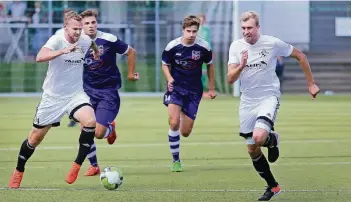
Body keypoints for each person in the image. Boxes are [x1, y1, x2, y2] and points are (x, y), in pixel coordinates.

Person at [227, 11, 320, 201]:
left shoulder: (272, 43)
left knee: (259, 136)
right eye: (243, 28)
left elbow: (300, 56)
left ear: (258, 28)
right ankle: (273, 186)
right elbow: (230, 79)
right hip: (247, 101)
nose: (246, 32)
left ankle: (271, 138)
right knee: (252, 149)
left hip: (268, 97)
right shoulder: (236, 47)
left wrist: (311, 84)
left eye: (250, 28)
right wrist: (241, 65)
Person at [8, 10, 100, 188]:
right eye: (74, 29)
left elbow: (92, 43)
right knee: (34, 139)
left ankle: (76, 165)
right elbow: (39, 57)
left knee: (90, 121)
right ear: (65, 27)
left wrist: (95, 53)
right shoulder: (56, 39)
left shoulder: (84, 39)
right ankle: (19, 170)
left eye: (80, 29)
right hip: (53, 98)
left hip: (75, 95)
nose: (77, 32)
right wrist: (63, 50)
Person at [79, 9, 139, 176]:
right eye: (86, 23)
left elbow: (131, 52)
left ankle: (110, 129)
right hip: (87, 92)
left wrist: (130, 73)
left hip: (108, 92)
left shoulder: (108, 39)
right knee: (85, 127)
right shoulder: (78, 43)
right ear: (81, 26)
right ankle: (94, 165)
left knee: (98, 133)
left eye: (93, 22)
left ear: (97, 23)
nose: (90, 26)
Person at [162, 15, 217, 172]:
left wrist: (211, 88)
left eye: (194, 31)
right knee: (173, 123)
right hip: (176, 89)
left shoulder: (204, 47)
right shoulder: (172, 46)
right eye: (189, 31)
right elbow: (165, 64)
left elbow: (210, 66)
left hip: (194, 91)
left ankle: (181, 114)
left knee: (185, 132)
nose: (192, 34)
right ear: (183, 30)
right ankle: (176, 160)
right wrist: (170, 78)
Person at [198, 13, 213, 98]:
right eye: (200, 19)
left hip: (205, 53)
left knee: (204, 72)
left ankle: (203, 91)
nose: (202, 21)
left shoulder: (207, 30)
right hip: (196, 54)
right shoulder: (195, 30)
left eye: (203, 19)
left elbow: (208, 42)